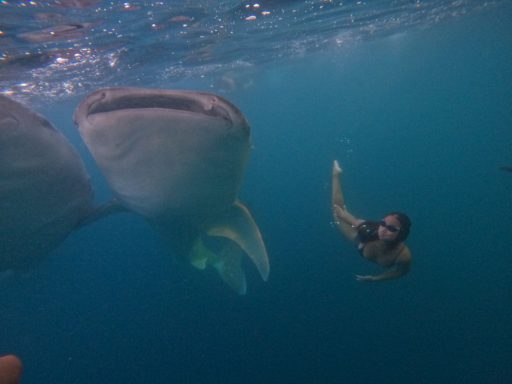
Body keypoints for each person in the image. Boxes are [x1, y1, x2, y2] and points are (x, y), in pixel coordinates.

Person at [331, 160, 412, 281]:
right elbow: (351, 219)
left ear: (401, 235)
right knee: (337, 211)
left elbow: (401, 272)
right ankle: (335, 174)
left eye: (391, 228)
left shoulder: (403, 256)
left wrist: (376, 278)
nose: (384, 229)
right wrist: (342, 214)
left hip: (366, 240)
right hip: (358, 238)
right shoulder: (370, 231)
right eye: (383, 224)